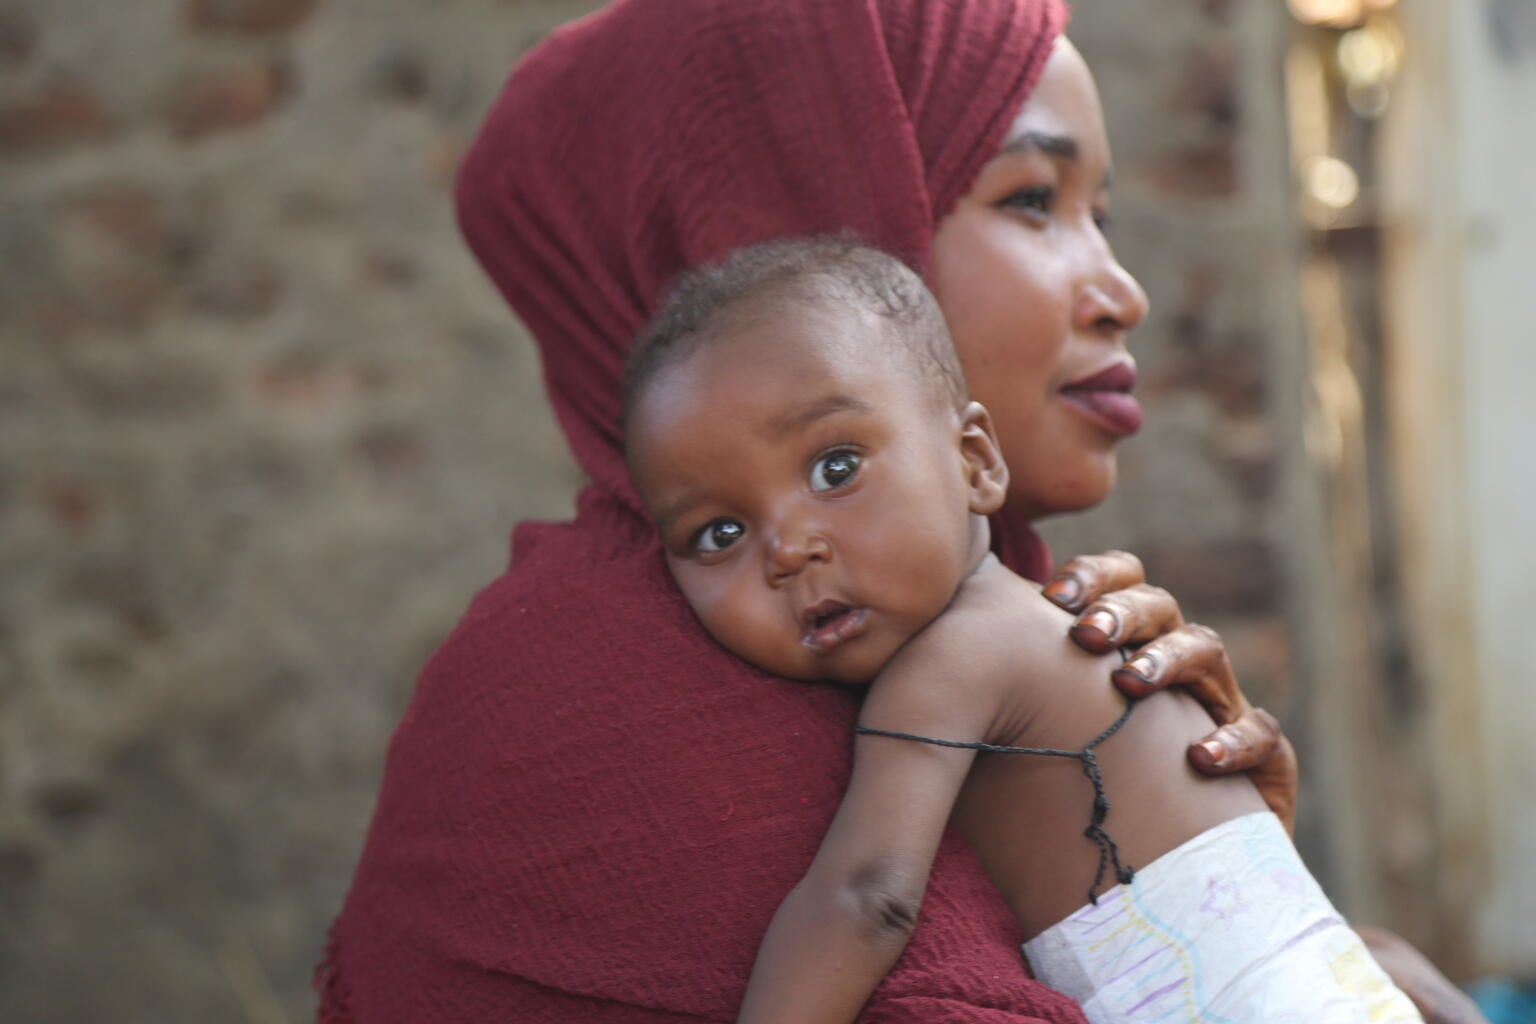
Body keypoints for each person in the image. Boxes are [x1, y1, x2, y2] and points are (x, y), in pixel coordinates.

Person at [319, 1, 1477, 1021]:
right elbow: (869, 906)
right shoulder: (584, 717)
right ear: (797, 214)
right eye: (1033, 199)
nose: (1121, 292)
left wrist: (1258, 892)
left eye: (1103, 213)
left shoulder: (967, 629)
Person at [623, 236, 1422, 1023]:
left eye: (836, 468)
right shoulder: (1041, 630)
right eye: (720, 534)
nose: (787, 550)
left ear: (974, 462)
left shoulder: (957, 657)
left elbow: (866, 900)